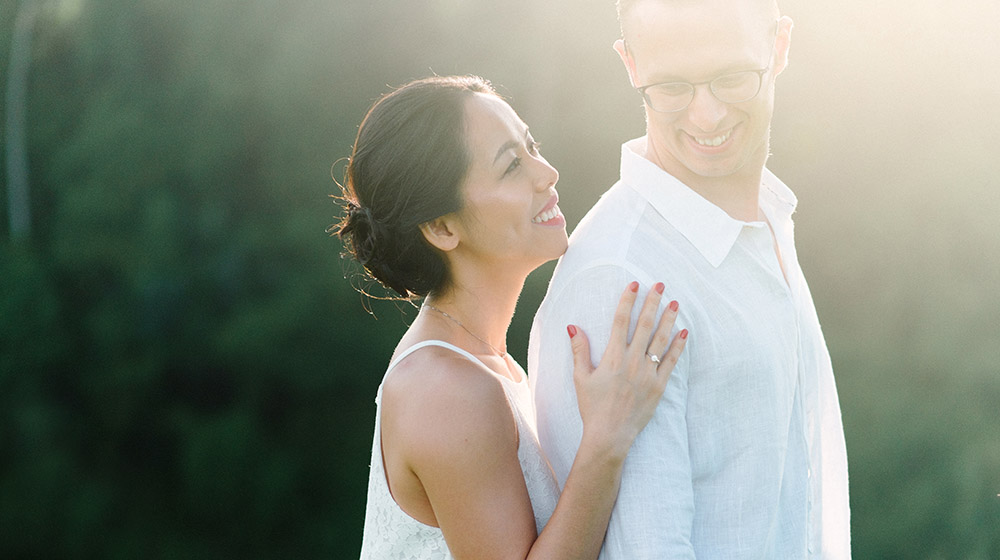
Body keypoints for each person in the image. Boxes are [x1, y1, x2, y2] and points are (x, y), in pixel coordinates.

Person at [529, 1, 851, 558]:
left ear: (779, 48)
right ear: (630, 65)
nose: (707, 116)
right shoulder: (622, 278)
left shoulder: (768, 218)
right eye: (672, 86)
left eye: (731, 79)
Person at [335, 75, 689, 559]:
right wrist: (606, 439)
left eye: (531, 146)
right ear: (441, 227)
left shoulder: (491, 366)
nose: (547, 173)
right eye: (511, 166)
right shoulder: (442, 388)